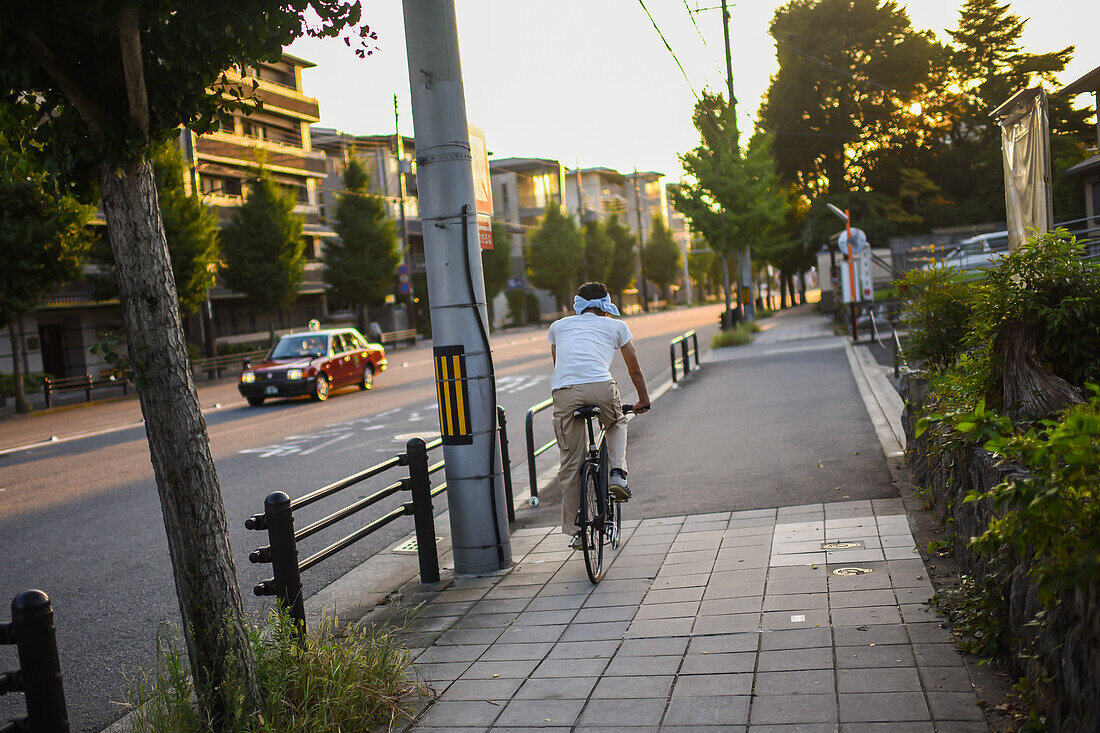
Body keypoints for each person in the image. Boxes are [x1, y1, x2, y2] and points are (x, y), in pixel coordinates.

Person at [547, 281, 650, 549]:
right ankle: (617, 473)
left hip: (565, 391)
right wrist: (643, 399)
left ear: (578, 306)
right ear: (606, 306)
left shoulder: (558, 327)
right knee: (616, 422)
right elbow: (634, 369)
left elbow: (560, 365)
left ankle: (577, 531)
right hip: (601, 387)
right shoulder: (617, 325)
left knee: (571, 464)